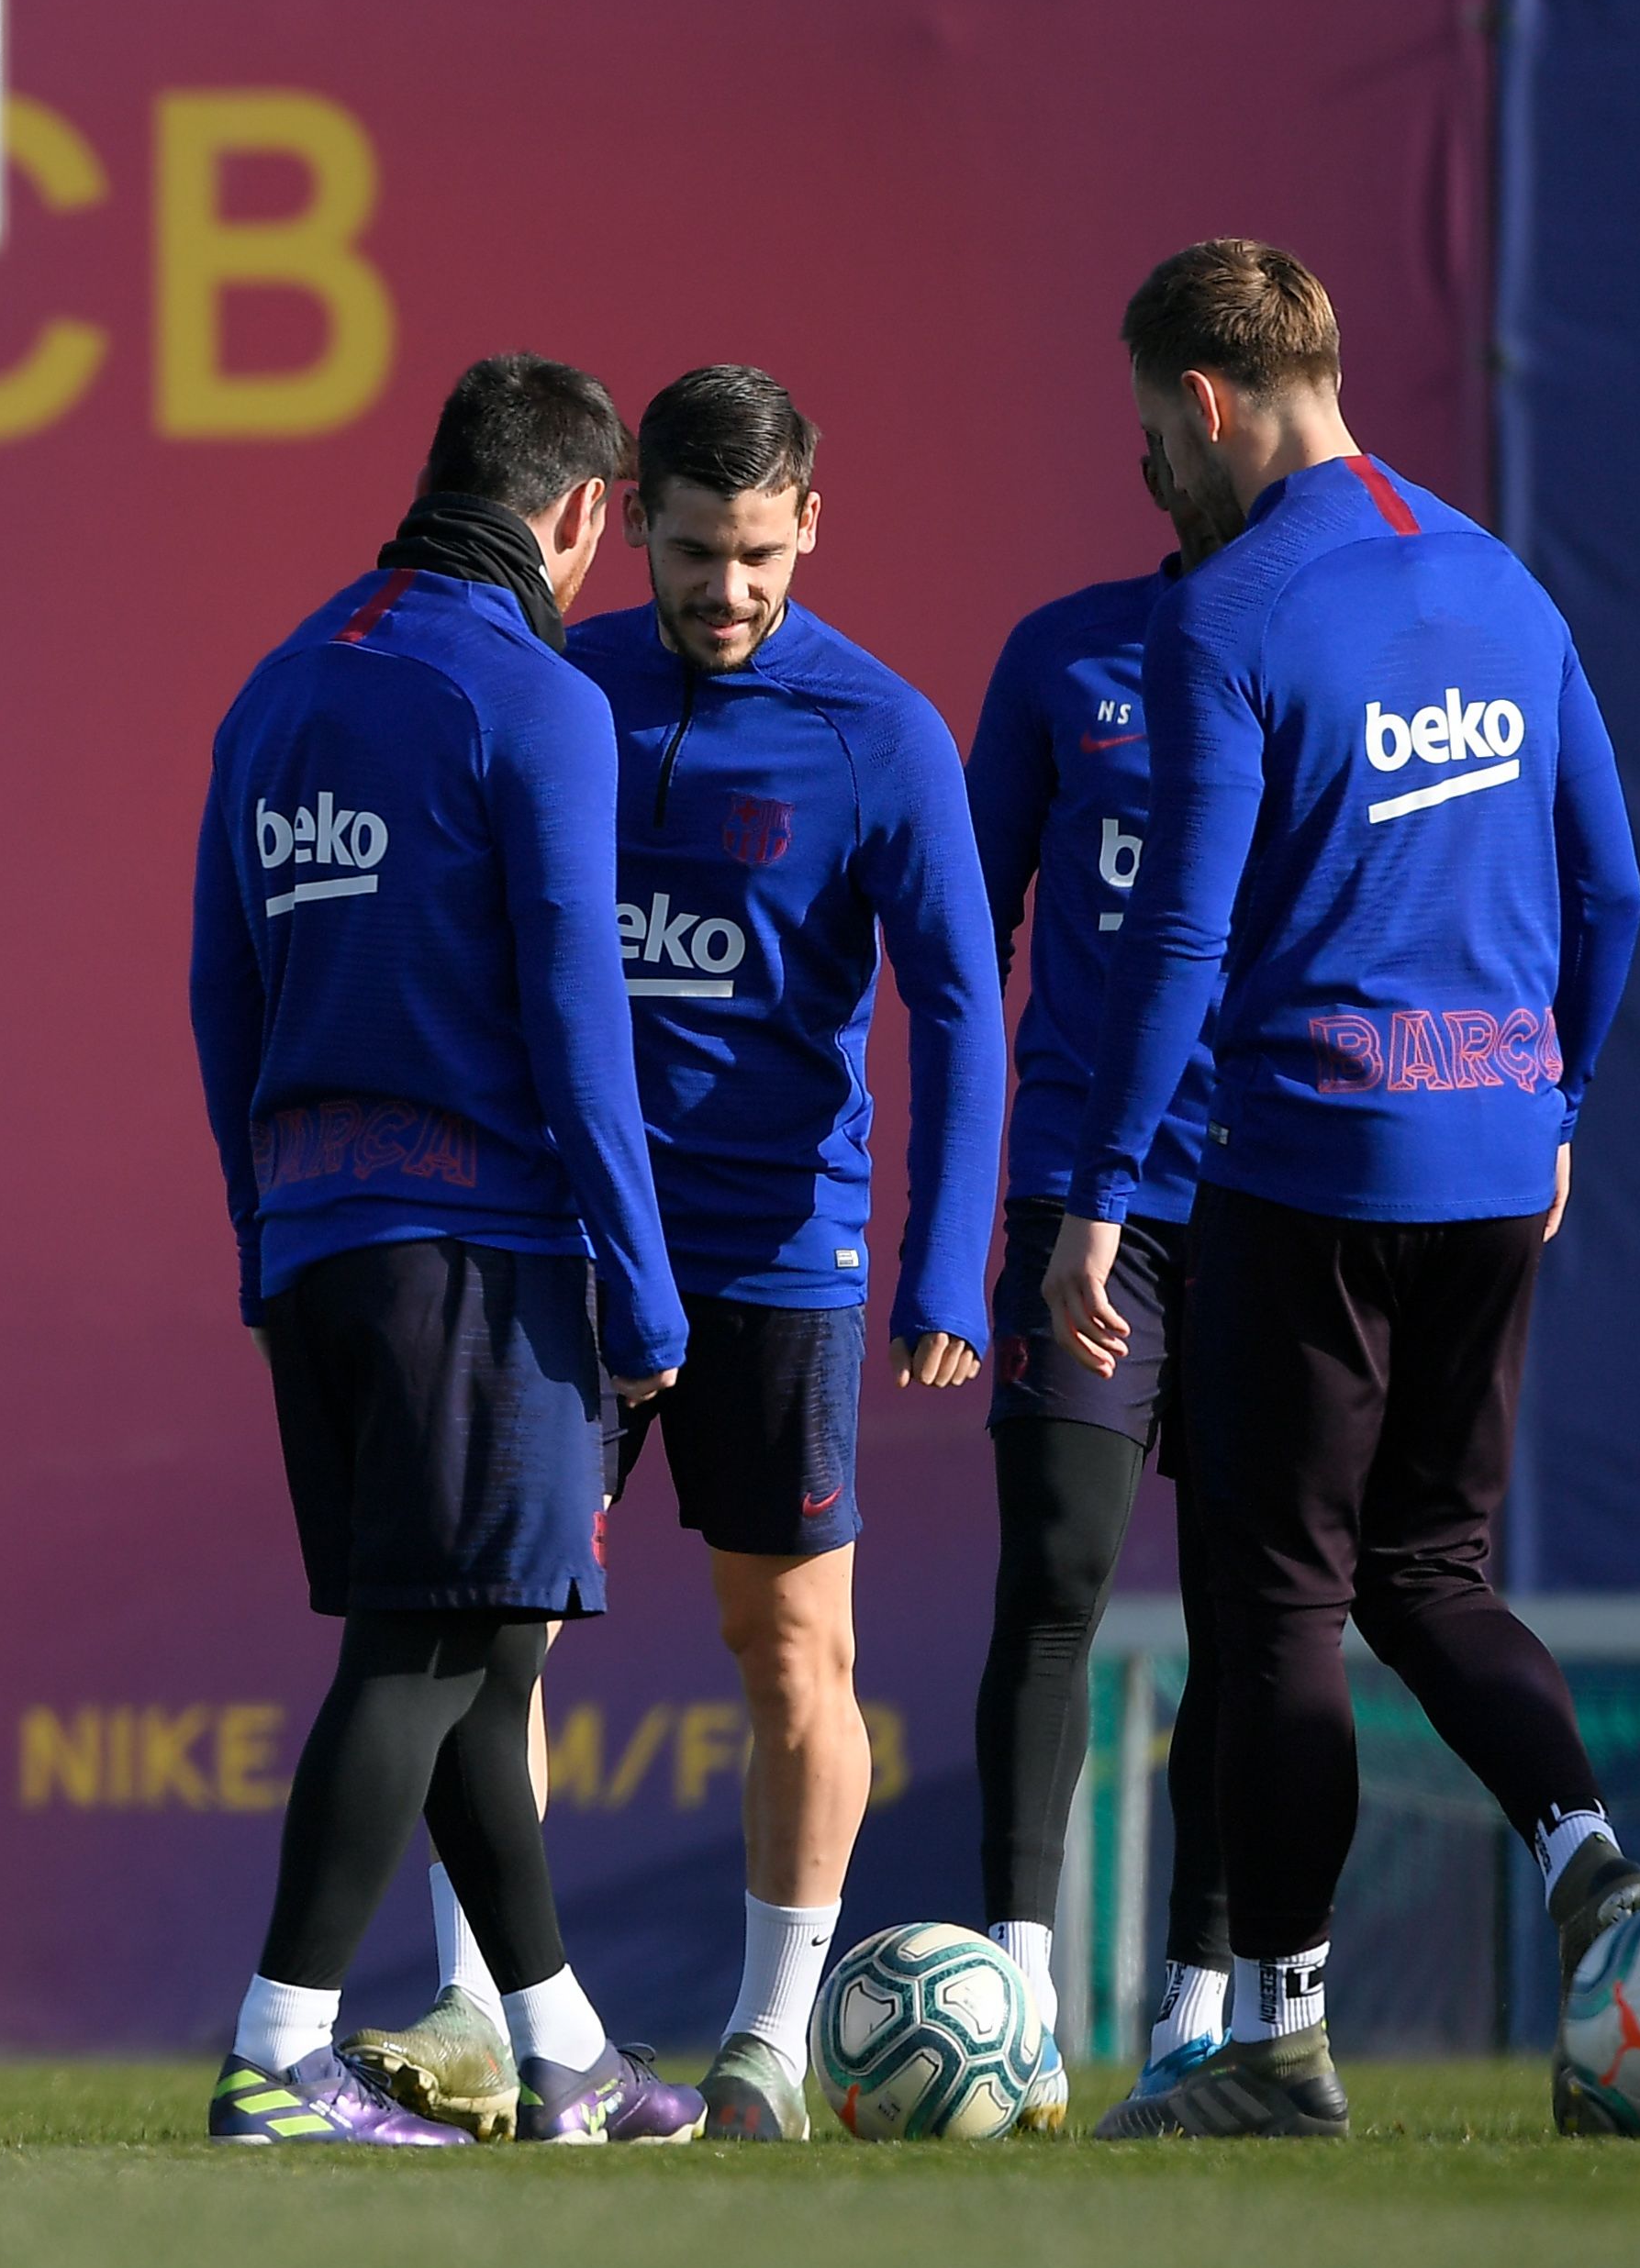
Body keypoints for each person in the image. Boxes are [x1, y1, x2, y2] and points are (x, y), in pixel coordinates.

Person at [1058, 240, 1640, 2141]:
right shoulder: (1499, 579)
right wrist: (1552, 1091)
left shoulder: (1225, 609)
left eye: (1155, 431)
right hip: (1494, 1154)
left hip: (1304, 1166)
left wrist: (1091, 1194)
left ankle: (1282, 2042)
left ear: (1213, 401)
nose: (1152, 469)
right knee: (1434, 1570)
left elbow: (1174, 937)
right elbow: (1613, 888)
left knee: (1278, 1605)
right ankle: (1587, 1851)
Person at [187, 352, 698, 2148]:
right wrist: (640, 1284)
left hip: (319, 1235)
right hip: (472, 1250)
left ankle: (558, 2047)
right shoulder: (532, 698)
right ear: (579, 515)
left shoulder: (277, 685)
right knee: (421, 1645)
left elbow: (219, 986)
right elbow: (579, 1014)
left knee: (478, 1639)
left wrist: (266, 1234)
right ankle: (279, 2050)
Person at [555, 365, 1009, 2141]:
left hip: (779, 1253)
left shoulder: (879, 729)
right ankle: (503, 2013)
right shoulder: (561, 691)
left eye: (755, 553)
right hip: (578, 1242)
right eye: (687, 550)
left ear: (809, 522)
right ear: (627, 518)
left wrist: (943, 1264)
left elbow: (962, 1004)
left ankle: (761, 2043)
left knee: (785, 1646)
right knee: (485, 1633)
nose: (723, 590)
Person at [963, 427, 1244, 2132]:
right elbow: (964, 924)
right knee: (1056, 1577)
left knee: (1250, 1606)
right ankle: (1014, 1990)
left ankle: (1202, 2007)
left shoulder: (1330, 672)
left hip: (1280, 1199)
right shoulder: (1064, 657)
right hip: (1089, 1201)